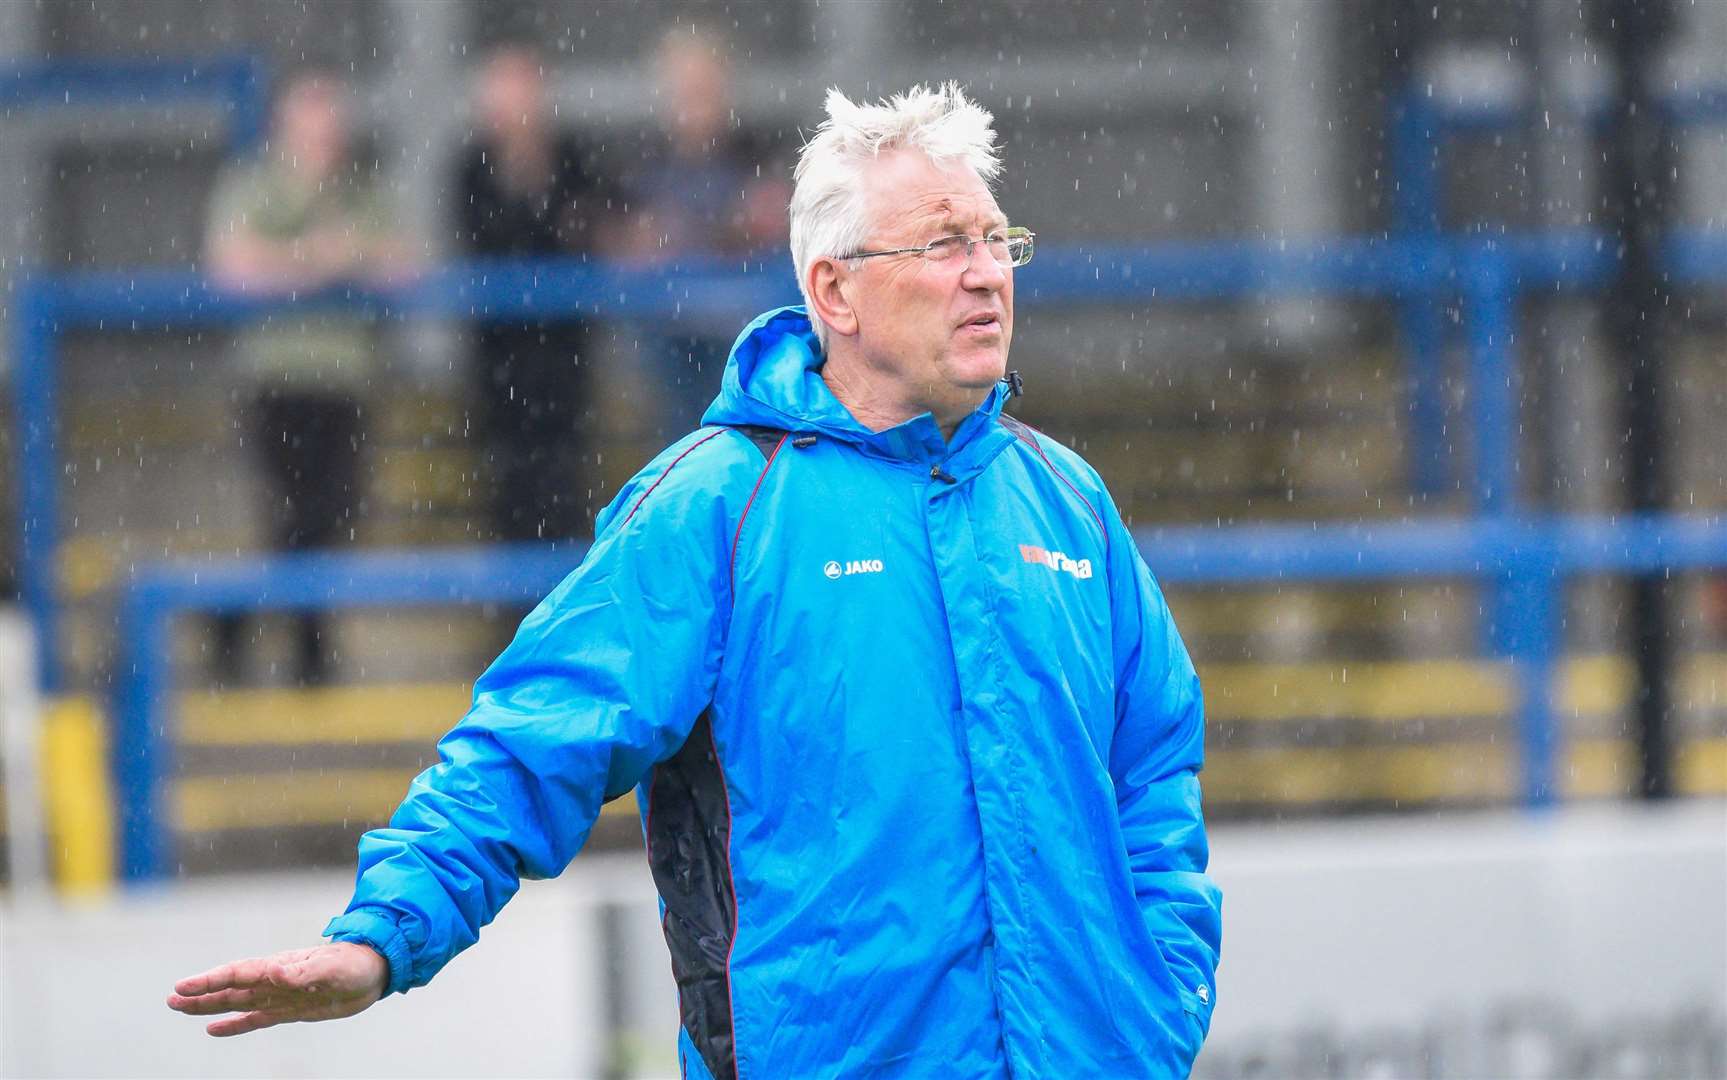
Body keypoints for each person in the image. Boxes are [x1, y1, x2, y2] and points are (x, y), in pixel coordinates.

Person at [169, 84, 1222, 1077]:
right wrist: (381, 937)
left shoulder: (1068, 501)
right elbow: (530, 740)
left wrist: (1156, 1006)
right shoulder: (714, 507)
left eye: (997, 241)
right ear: (832, 291)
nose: (987, 272)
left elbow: (1155, 767)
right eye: (944, 244)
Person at [204, 69, 414, 685]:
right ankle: (303, 645)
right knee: (296, 514)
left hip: (346, 381)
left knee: (331, 514)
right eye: (313, 115)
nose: (326, 130)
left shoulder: (360, 192)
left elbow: (401, 264)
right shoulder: (255, 185)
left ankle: (251, 625)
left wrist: (341, 255)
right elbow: (231, 266)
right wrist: (315, 260)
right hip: (278, 378)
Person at [456, 44, 614, 542]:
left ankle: (556, 595)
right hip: (500, 352)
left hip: (563, 351)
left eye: (524, 90)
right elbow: (485, 240)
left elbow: (590, 232)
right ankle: (512, 606)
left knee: (565, 478)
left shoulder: (572, 159)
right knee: (507, 481)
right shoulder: (470, 169)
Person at [614, 25, 791, 438]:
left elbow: (769, 224)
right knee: (675, 442)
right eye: (684, 85)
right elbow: (629, 243)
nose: (694, 98)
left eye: (703, 84)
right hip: (669, 331)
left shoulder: (755, 152)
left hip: (739, 334)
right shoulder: (644, 163)